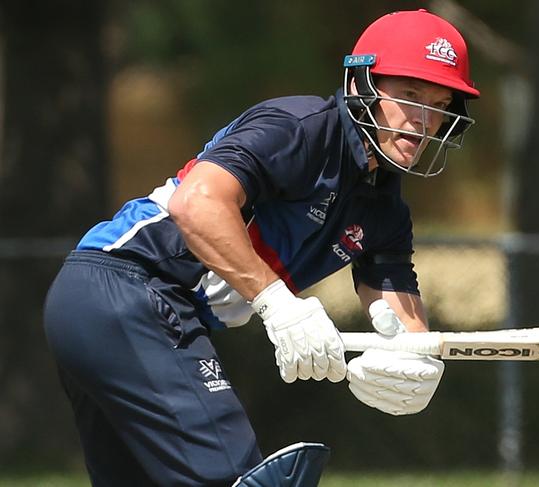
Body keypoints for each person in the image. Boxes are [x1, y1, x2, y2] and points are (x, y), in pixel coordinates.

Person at [43, 8, 480, 487]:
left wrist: (411, 365)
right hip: (125, 288)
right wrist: (279, 306)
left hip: (119, 306)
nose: (423, 120)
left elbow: (405, 325)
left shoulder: (386, 210)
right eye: (410, 95)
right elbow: (197, 203)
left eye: (440, 104)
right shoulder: (301, 126)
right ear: (361, 85)